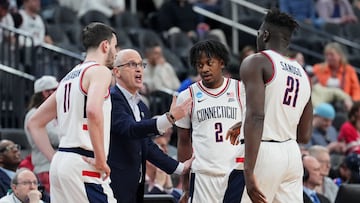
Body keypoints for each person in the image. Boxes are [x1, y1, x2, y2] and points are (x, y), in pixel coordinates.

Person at [225, 9, 313, 202]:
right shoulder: (302, 73)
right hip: (291, 155)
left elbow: (257, 116)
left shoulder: (257, 62)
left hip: (262, 152)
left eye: (258, 32)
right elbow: (304, 135)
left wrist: (249, 170)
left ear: (265, 35)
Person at [26, 22, 118, 203]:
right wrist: (101, 158)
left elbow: (34, 122)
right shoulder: (100, 71)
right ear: (105, 45)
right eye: (114, 46)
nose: (115, 52)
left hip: (62, 162)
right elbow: (92, 110)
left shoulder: (69, 77)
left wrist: (55, 159)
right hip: (85, 163)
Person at [108, 49, 193, 203]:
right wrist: (170, 118)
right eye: (132, 64)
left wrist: (179, 168)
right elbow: (130, 129)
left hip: (135, 186)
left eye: (141, 64)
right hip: (114, 185)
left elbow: (146, 146)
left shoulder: (142, 106)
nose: (139, 69)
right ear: (116, 72)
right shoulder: (111, 99)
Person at [176, 39, 243, 202]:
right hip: (203, 175)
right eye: (199, 65)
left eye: (209, 63)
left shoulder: (241, 90)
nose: (204, 69)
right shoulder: (187, 96)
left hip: (236, 173)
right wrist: (184, 183)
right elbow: (184, 141)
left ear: (221, 62)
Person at [24, 75, 60, 194]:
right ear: (45, 93)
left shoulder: (46, 112)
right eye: (55, 90)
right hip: (46, 167)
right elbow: (54, 137)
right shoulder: (36, 114)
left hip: (51, 165)